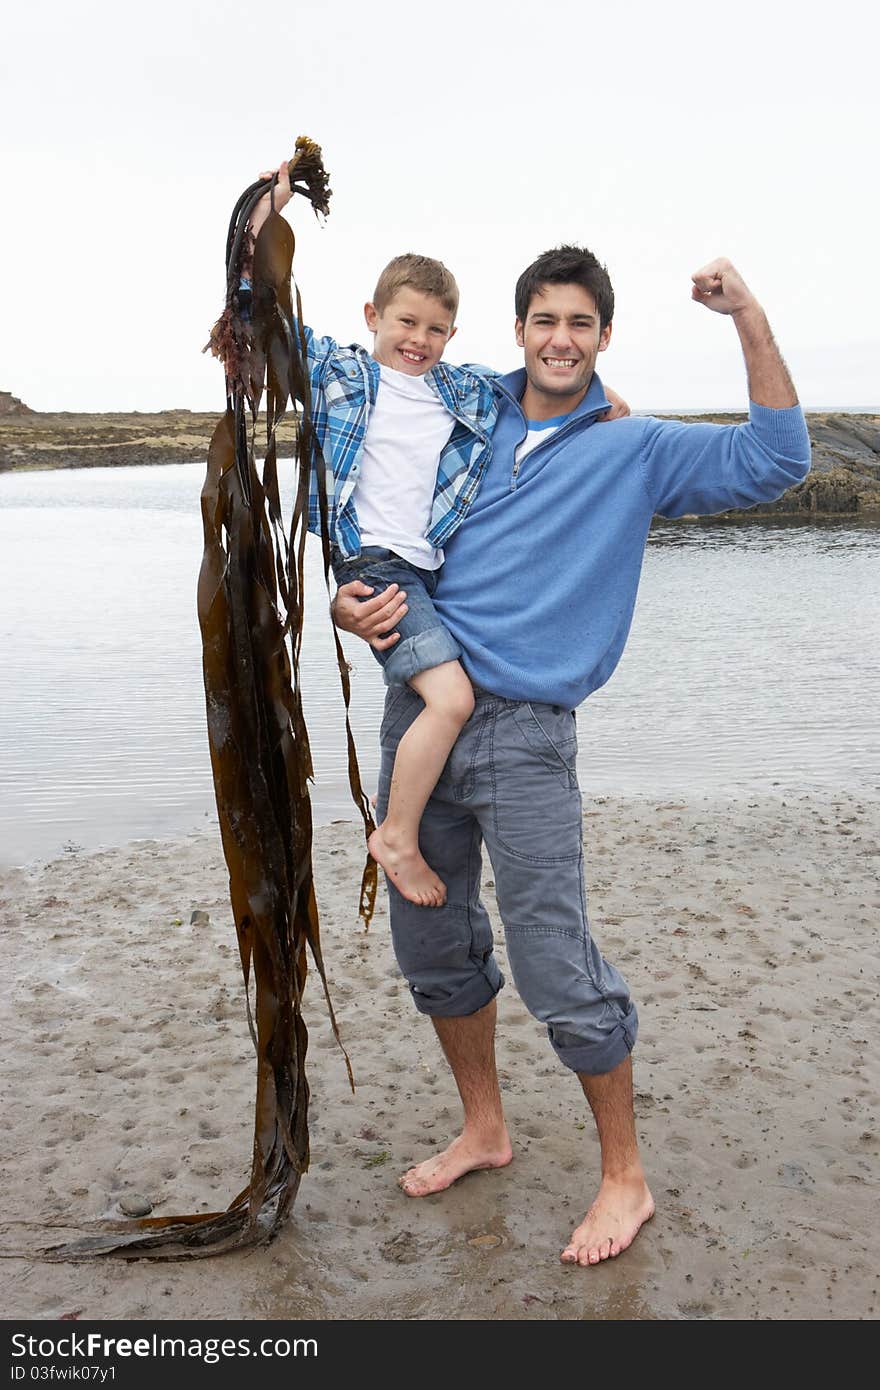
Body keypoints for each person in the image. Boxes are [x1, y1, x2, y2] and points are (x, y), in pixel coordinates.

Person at [333, 245, 812, 1265]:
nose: (560, 339)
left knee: (556, 965)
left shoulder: (631, 445)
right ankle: (484, 1127)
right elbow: (373, 508)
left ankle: (624, 1177)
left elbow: (778, 463)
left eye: (580, 325)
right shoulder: (462, 406)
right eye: (544, 321)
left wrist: (749, 318)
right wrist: (347, 601)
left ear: (603, 336)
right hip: (419, 708)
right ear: (517, 331)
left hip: (526, 736)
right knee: (431, 949)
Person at [246, 166, 628, 907]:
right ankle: (396, 834)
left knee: (439, 699)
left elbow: (541, 378)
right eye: (405, 323)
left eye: (435, 329)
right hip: (374, 562)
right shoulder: (338, 375)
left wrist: (608, 404)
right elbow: (262, 308)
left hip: (419, 570)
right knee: (450, 700)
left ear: (452, 334)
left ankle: (403, 826)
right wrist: (268, 210)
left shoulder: (461, 390)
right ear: (373, 315)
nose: (418, 340)